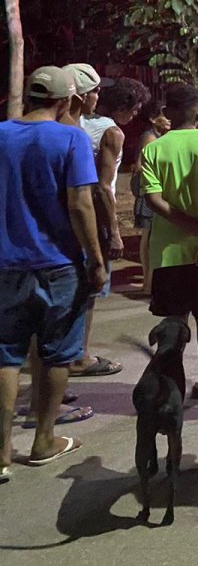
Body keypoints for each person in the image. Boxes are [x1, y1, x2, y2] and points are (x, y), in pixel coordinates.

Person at [1, 66, 107, 479]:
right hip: (58, 264)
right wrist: (95, 258)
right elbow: (80, 204)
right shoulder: (70, 138)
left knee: (6, 354)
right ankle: (44, 439)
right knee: (58, 352)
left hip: (6, 263)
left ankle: (1, 451)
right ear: (66, 102)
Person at [141, 83, 198, 400]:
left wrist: (191, 227)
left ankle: (171, 386)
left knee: (175, 322)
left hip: (169, 251)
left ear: (167, 112)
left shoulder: (153, 149)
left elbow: (154, 200)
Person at [69, 76, 151, 377]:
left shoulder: (75, 123)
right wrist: (114, 232)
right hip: (94, 216)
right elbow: (103, 187)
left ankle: (62, 351)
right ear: (123, 105)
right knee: (92, 287)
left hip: (68, 214)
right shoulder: (112, 132)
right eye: (135, 108)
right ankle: (81, 355)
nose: (136, 114)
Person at [130, 100, 171, 294]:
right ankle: (148, 281)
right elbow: (141, 166)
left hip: (152, 191)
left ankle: (150, 280)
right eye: (164, 114)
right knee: (148, 238)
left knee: (151, 237)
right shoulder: (150, 137)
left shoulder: (158, 136)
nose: (168, 118)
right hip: (149, 193)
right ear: (153, 119)